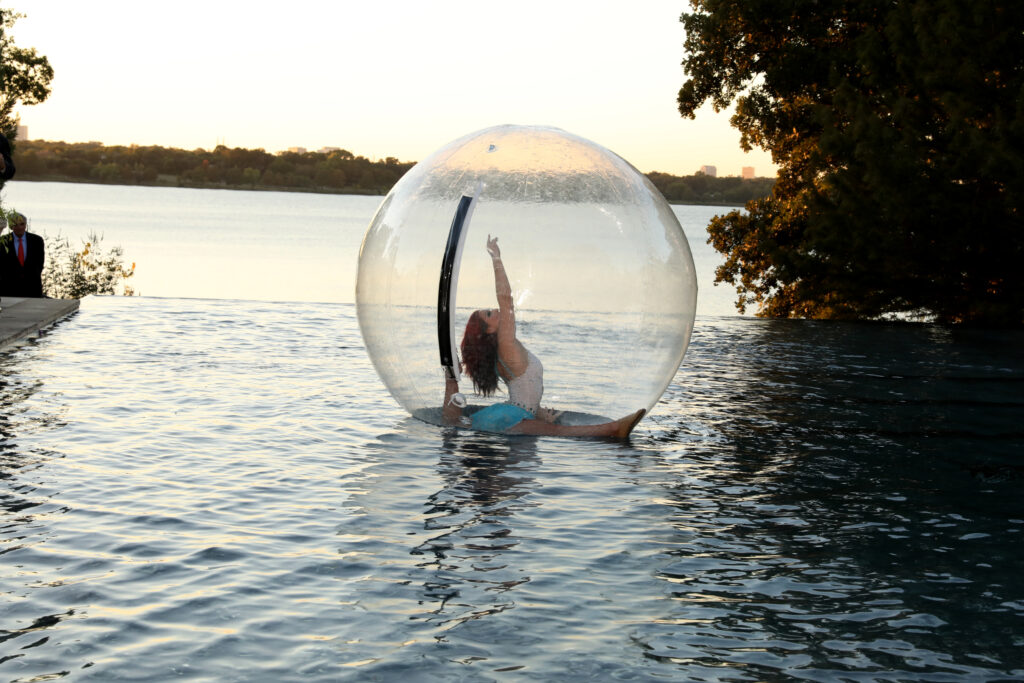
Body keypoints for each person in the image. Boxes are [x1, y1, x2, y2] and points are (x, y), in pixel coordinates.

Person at [443, 235, 645, 438]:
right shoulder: (505, 344)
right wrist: (496, 258)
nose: (495, 310)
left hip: (513, 412)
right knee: (560, 432)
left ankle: (451, 381)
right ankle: (614, 429)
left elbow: (523, 391)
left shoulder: (501, 349)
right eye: (489, 314)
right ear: (488, 331)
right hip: (513, 415)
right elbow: (506, 300)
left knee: (456, 423)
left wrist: (538, 413)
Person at [0, 212, 45, 298]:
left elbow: (40, 263)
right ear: (11, 226)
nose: (19, 227)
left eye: (22, 224)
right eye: (16, 225)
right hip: (9, 289)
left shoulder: (37, 240)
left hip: (32, 288)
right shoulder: (3, 241)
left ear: (26, 225)